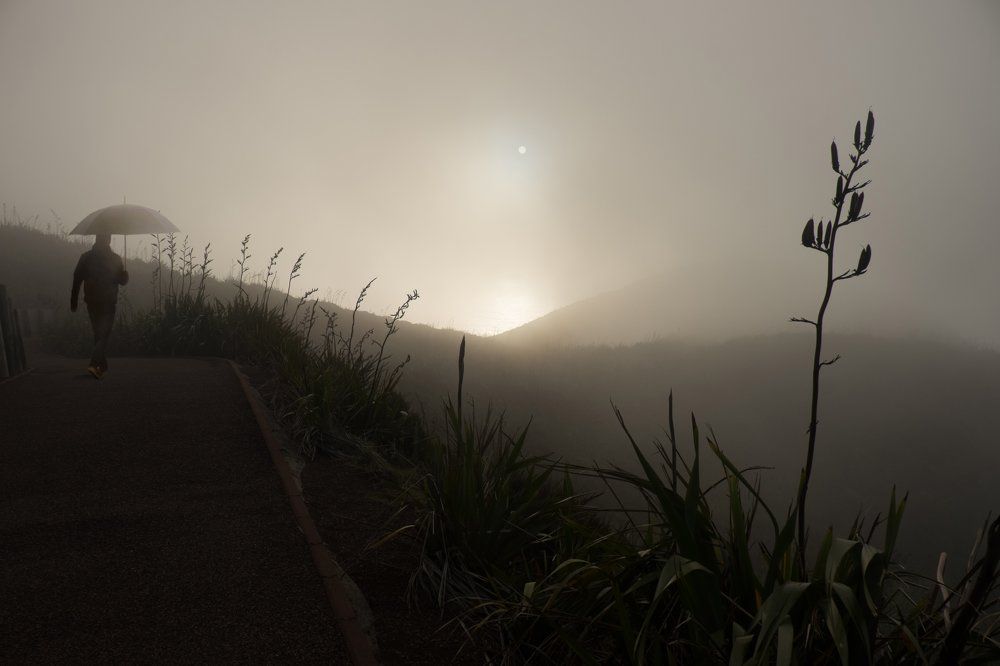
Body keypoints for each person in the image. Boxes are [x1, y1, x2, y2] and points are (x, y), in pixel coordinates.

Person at [70, 234, 129, 379]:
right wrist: (125, 276)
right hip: (108, 301)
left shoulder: (86, 257)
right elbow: (121, 281)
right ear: (109, 240)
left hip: (92, 301)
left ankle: (100, 365)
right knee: (104, 333)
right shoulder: (115, 259)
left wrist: (74, 299)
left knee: (98, 333)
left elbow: (77, 278)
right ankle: (94, 364)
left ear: (96, 239)